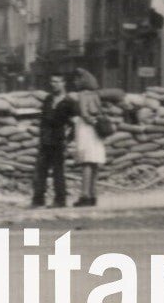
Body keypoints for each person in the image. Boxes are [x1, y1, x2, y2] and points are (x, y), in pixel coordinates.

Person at [31, 73, 76, 209]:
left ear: (64, 83)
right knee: (40, 170)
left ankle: (60, 200)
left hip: (58, 139)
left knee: (58, 172)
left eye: (57, 81)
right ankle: (38, 199)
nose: (54, 84)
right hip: (45, 139)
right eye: (52, 81)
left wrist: (68, 139)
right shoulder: (48, 99)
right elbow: (43, 118)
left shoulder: (69, 102)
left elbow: (74, 123)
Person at [69, 68, 107, 207]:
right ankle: (93, 194)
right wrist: (97, 123)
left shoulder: (82, 95)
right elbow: (100, 111)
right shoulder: (95, 94)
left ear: (82, 80)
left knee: (86, 163)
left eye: (77, 79)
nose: (75, 82)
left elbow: (84, 114)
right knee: (95, 162)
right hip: (96, 131)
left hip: (86, 129)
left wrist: (91, 121)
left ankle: (84, 195)